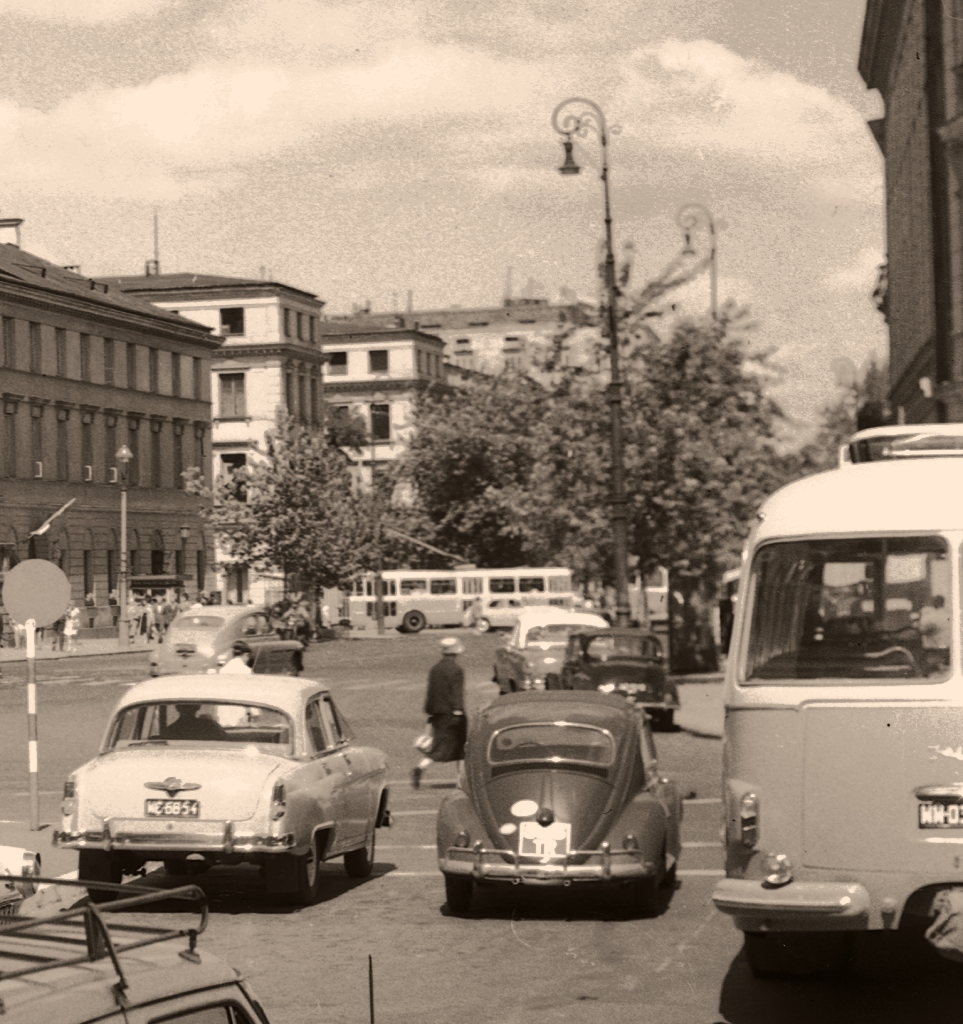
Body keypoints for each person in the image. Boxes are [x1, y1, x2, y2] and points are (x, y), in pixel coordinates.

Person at [412, 636, 467, 789]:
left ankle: (420, 767)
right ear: (456, 653)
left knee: (437, 747)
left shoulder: (435, 669)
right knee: (461, 750)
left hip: (437, 714)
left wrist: (430, 713)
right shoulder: (456, 670)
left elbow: (431, 693)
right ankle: (461, 781)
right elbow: (457, 694)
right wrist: (458, 712)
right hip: (453, 714)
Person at [162, 703, 228, 741]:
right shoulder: (209, 726)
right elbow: (225, 740)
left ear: (177, 708)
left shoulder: (170, 731)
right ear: (198, 707)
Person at [920, 595, 952, 673]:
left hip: (933, 649)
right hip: (947, 648)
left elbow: (923, 630)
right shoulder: (948, 614)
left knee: (933, 670)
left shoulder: (931, 616)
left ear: (934, 602)